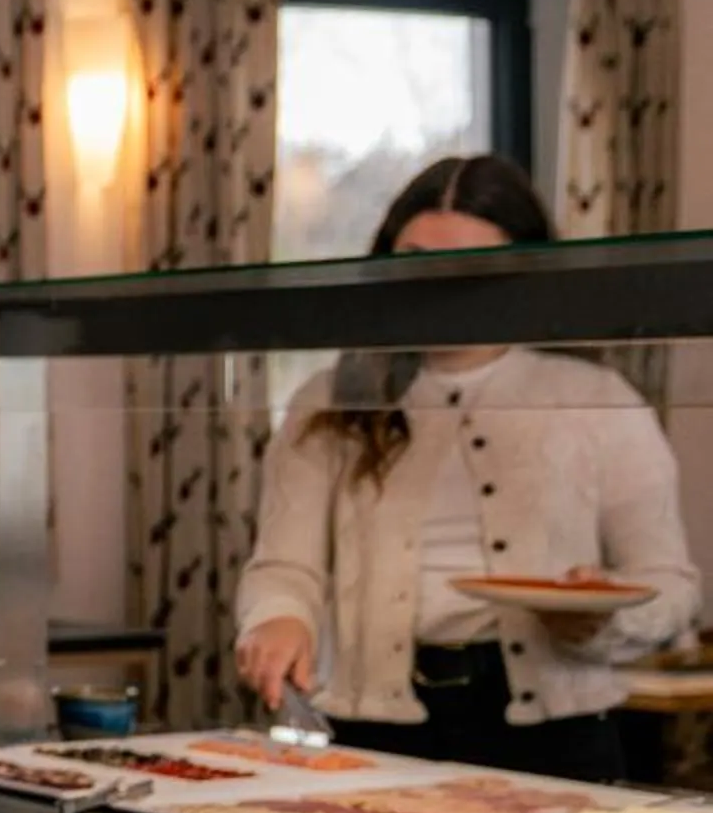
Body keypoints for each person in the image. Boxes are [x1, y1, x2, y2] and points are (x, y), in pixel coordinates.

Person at [236, 155, 699, 780]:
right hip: (372, 727)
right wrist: (279, 618)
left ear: (528, 272)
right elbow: (284, 565)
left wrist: (600, 616)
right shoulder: (331, 400)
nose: (438, 284)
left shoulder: (597, 397)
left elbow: (671, 586)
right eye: (416, 259)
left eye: (471, 267)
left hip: (554, 736)